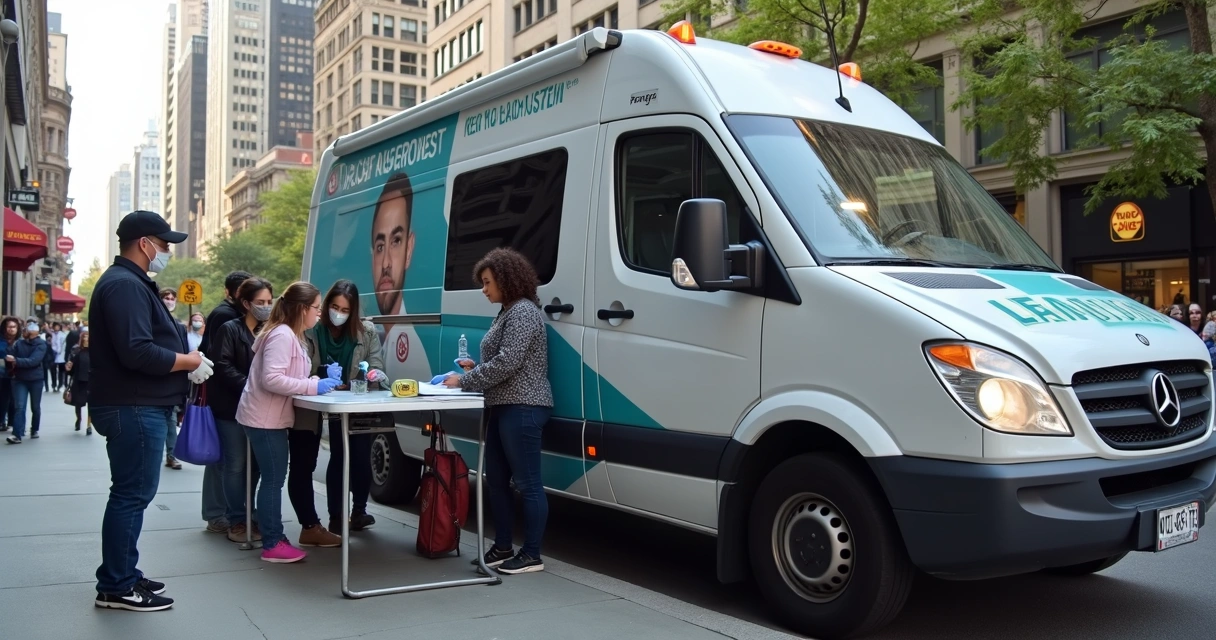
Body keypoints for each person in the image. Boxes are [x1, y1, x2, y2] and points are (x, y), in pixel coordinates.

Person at [90, 210, 210, 612]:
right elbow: (137, 350)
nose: (167, 251)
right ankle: (117, 585)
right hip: (134, 405)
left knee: (131, 494)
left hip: (137, 404)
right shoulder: (125, 285)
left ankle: (123, 572)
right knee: (131, 495)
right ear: (144, 244)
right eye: (164, 244)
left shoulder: (130, 283)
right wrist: (188, 361)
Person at [443, 248, 553, 575]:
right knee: (497, 481)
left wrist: (466, 380)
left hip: (523, 406)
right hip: (504, 405)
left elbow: (509, 362)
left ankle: (532, 555)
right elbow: (505, 360)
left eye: (487, 282)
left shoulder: (523, 311)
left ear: (505, 280)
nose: (483, 289)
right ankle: (503, 546)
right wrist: (477, 367)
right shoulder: (507, 311)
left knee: (528, 483)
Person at [236, 281, 340, 564]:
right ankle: (273, 543)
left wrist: (318, 378)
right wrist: (313, 386)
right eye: (316, 307)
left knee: (272, 479)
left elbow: (288, 375)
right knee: (273, 480)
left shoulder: (290, 334)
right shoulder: (282, 335)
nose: (319, 313)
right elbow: (272, 379)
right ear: (302, 308)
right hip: (264, 418)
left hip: (266, 416)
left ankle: (273, 538)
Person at [290, 280, 388, 548]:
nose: (338, 314)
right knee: (336, 456)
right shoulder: (312, 329)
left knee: (360, 454)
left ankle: (359, 511)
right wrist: (323, 377)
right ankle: (335, 517)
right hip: (320, 399)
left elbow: (377, 366)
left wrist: (374, 374)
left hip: (355, 400)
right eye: (334, 307)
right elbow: (304, 368)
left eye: (345, 310)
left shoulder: (366, 332)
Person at [212, 276, 273, 544]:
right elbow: (222, 365)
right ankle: (236, 519)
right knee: (235, 464)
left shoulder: (269, 331)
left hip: (260, 409)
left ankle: (250, 514)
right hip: (231, 407)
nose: (266, 307)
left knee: (257, 464)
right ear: (246, 303)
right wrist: (249, 385)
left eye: (269, 302)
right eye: (260, 302)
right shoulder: (230, 329)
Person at [198, 270, 254, 534]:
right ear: (230, 293)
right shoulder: (226, 317)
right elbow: (221, 361)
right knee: (225, 460)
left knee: (229, 460)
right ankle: (217, 513)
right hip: (227, 400)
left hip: (237, 398)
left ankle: (226, 512)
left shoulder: (237, 316)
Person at [370, 173, 429, 381]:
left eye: (396, 241)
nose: (386, 262)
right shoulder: (383, 339)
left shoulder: (411, 353)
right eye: (380, 246)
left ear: (409, 250)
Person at [4, 322, 48, 444]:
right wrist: (9, 350)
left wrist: (16, 360)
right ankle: (17, 434)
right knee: (20, 406)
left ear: (32, 333)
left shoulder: (41, 344)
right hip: (20, 379)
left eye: (26, 330)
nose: (23, 332)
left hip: (36, 380)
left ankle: (34, 429)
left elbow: (34, 361)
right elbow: (10, 354)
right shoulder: (19, 343)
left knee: (35, 407)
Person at [159, 289, 184, 471]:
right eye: (166, 298)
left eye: (172, 298)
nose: (169, 301)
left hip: (172, 382)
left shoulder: (179, 326)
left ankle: (171, 455)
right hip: (154, 381)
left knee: (171, 421)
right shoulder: (152, 322)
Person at [65, 331, 92, 434]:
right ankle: (79, 419)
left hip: (90, 382)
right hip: (78, 381)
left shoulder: (95, 353)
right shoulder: (76, 352)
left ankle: (89, 425)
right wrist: (68, 368)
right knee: (78, 403)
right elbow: (71, 369)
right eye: (84, 337)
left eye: (88, 337)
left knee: (91, 404)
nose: (86, 339)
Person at [0, 317, 19, 433]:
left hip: (17, 374)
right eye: (9, 327)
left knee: (15, 399)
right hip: (2, 373)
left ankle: (12, 421)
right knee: (3, 398)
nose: (11, 329)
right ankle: (2, 421)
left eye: (14, 327)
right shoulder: (1, 340)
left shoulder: (20, 341)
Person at [51, 322, 68, 392]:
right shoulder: (51, 334)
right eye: (55, 326)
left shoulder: (62, 334)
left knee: (61, 371)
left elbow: (64, 345)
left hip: (61, 354)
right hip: (53, 354)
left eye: (58, 326)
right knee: (53, 370)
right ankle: (54, 384)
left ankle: (60, 384)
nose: (56, 327)